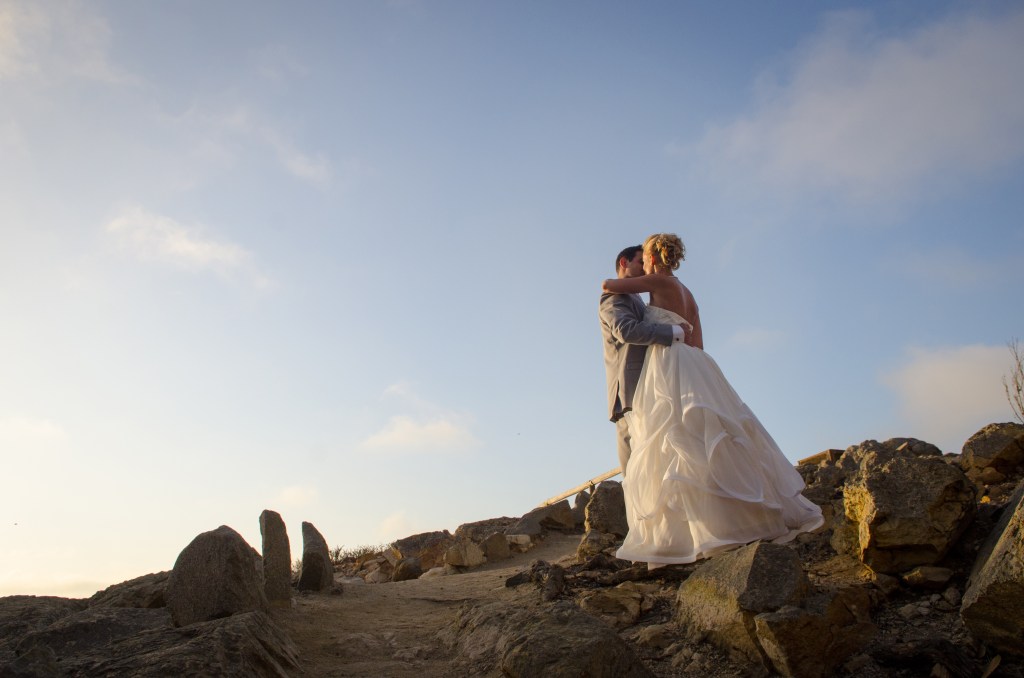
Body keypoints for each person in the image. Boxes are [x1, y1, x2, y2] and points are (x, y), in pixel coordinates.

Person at [602, 233, 823, 566]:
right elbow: (698, 342)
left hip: (668, 363)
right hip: (696, 363)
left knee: (673, 437)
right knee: (707, 435)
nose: (643, 264)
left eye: (644, 258)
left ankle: (684, 534)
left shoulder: (657, 281)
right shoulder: (688, 293)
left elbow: (608, 284)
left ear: (652, 257)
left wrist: (669, 343)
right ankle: (736, 518)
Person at [599, 246, 688, 473]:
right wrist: (674, 332)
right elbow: (626, 330)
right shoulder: (615, 296)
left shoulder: (638, 299)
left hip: (651, 388)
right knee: (635, 470)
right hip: (630, 392)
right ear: (624, 263)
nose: (646, 267)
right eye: (641, 262)